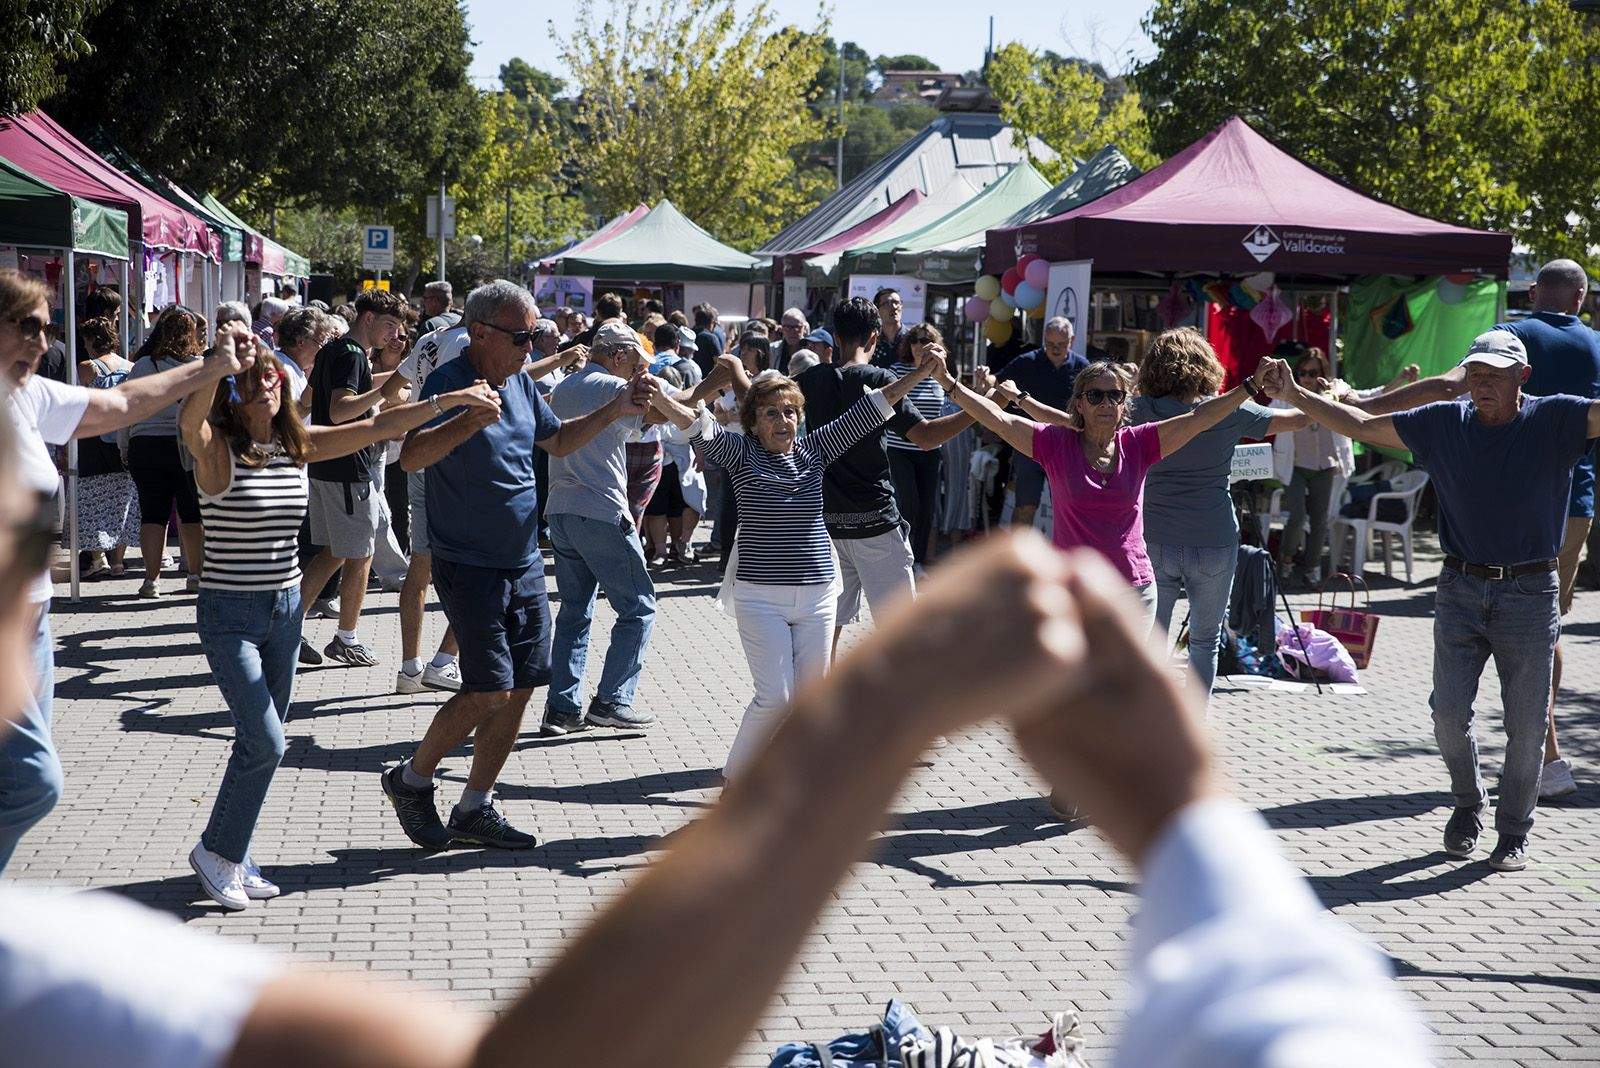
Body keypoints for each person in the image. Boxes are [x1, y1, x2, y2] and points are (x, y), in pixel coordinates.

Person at [0, 382, 1435, 1068]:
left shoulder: (44, 979)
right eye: (29, 572)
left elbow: (896, 431)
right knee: (710, 687)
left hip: (838, 582)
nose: (40, 625)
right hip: (748, 588)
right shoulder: (46, 980)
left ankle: (457, 772)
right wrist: (1188, 823)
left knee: (520, 686)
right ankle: (367, 793)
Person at [177, 325, 499, 909]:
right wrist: (218, 366)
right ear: (234, 395)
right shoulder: (217, 452)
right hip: (229, 614)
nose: (270, 391)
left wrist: (447, 400)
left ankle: (233, 849)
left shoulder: (294, 445)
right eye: (256, 384)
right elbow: (187, 425)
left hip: (283, 613)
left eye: (274, 382)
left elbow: (377, 427)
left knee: (258, 743)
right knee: (267, 741)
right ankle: (216, 852)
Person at [1259, 332, 1600, 872]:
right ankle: (1468, 804)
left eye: (1495, 374)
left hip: (1530, 592)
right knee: (1446, 715)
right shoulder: (1444, 420)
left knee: (1528, 724)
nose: (1483, 384)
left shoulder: (1554, 419)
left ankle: (1514, 831)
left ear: (1522, 377)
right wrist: (1298, 394)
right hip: (1460, 586)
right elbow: (1363, 426)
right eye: (1476, 374)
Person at [0, 269, 264, 873]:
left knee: (21, 784)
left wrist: (211, 368)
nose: (43, 343)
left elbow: (120, 404)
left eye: (47, 328)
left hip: (32, 620)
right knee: (31, 784)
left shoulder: (27, 395)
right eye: (27, 327)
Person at [383, 281, 650, 850]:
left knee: (526, 683)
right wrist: (467, 421)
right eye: (522, 336)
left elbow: (557, 443)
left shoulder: (522, 384)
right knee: (489, 689)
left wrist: (617, 407)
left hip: (524, 559)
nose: (532, 346)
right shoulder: (449, 385)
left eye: (534, 335)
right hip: (468, 563)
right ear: (479, 333)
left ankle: (474, 805)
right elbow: (411, 457)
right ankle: (411, 779)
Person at [647, 353, 940, 779]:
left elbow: (874, 407)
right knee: (775, 699)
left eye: (790, 412)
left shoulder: (815, 449)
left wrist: (919, 374)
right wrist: (659, 395)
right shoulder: (740, 453)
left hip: (819, 597)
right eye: (770, 414)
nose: (782, 422)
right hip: (759, 598)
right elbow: (696, 424)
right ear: (753, 422)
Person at [945, 337, 1277, 620]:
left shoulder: (1139, 443)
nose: (1106, 403)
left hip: (1134, 592)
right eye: (1095, 396)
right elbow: (998, 419)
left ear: (1124, 404)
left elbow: (1199, 418)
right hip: (1074, 592)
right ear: (1080, 404)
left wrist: (1249, 386)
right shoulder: (1055, 443)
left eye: (1115, 396)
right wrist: (949, 383)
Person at [541, 323, 730, 736]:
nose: (636, 376)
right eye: (635, 363)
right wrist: (711, 385)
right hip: (600, 510)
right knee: (639, 606)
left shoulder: (568, 386)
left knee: (575, 612)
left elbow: (655, 411)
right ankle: (612, 700)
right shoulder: (611, 385)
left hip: (561, 510)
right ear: (620, 355)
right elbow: (667, 408)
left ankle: (561, 709)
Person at [795, 300, 972, 648]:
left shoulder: (809, 380)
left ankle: (820, 701)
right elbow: (926, 437)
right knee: (902, 636)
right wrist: (982, 409)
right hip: (876, 523)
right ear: (875, 337)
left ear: (835, 337)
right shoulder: (880, 380)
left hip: (827, 525)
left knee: (823, 632)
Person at [1500, 258, 1600, 800]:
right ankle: (1546, 757)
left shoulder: (1511, 334)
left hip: (1512, 500)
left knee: (1500, 618)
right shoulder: (1597, 346)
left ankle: (1545, 754)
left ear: (1535, 292)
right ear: (1581, 298)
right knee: (1547, 624)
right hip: (1575, 503)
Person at [297, 288, 411, 667]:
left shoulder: (334, 350)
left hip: (329, 466)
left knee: (332, 552)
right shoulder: (350, 355)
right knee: (360, 554)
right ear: (368, 319)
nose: (394, 335)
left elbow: (305, 403)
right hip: (349, 469)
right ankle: (346, 638)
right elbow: (342, 410)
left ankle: (288, 626)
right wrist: (385, 390)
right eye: (390, 325)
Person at [125, 305, 209, 597]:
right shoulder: (198, 365)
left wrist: (126, 446)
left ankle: (151, 580)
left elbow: (128, 409)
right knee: (192, 514)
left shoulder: (143, 365)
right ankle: (195, 576)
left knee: (152, 514)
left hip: (145, 446)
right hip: (184, 445)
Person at [993, 316, 1089, 531]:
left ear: (1071, 341)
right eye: (1050, 344)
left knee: (1071, 509)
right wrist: (985, 379)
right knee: (1025, 505)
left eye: (1061, 344)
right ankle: (1020, 561)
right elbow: (998, 381)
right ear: (1044, 339)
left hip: (1068, 446)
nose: (1055, 349)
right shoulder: (1028, 361)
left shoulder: (1083, 368)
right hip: (1031, 443)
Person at [71, 317, 138, 579]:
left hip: (94, 440)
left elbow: (78, 404)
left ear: (90, 340)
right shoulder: (130, 366)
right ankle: (119, 562)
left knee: (91, 500)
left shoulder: (88, 368)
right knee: (122, 501)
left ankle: (99, 559)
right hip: (122, 439)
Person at [885, 323, 952, 568]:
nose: (920, 345)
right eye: (915, 340)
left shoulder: (941, 373)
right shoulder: (896, 370)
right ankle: (899, 554)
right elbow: (889, 404)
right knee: (908, 503)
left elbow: (951, 400)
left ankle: (919, 560)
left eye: (926, 340)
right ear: (908, 345)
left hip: (930, 450)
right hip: (899, 449)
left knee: (926, 508)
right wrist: (919, 372)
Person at [870, 287, 903, 366]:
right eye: (887, 303)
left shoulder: (912, 339)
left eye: (896, 303)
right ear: (877, 310)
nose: (894, 307)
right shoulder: (870, 340)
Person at [770, 307, 809, 373]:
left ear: (804, 328)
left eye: (797, 327)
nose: (793, 331)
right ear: (781, 329)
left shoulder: (812, 349)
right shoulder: (772, 350)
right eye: (787, 327)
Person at [692, 301, 722, 376]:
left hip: (690, 376)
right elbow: (720, 362)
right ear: (711, 322)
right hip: (706, 380)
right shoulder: (711, 338)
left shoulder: (690, 334)